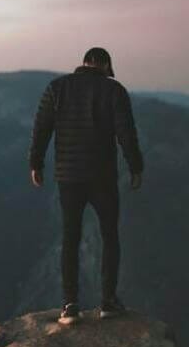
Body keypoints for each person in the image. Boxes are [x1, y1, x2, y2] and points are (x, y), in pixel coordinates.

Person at [28, 47, 144, 325]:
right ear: (104, 65)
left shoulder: (56, 88)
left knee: (70, 238)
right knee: (109, 237)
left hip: (68, 176)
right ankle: (108, 302)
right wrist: (135, 166)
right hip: (102, 177)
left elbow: (41, 127)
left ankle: (69, 306)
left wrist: (36, 163)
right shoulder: (114, 91)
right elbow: (126, 132)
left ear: (84, 62)